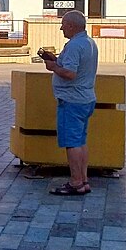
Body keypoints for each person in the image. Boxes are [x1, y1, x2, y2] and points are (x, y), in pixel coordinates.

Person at [41, 10, 98, 196]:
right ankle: (84, 179)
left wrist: (53, 67)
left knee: (72, 143)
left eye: (64, 25)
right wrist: (57, 60)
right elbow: (75, 67)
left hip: (71, 100)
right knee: (81, 141)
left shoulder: (74, 45)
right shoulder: (89, 43)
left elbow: (70, 73)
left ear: (72, 26)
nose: (61, 28)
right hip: (86, 98)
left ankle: (75, 182)